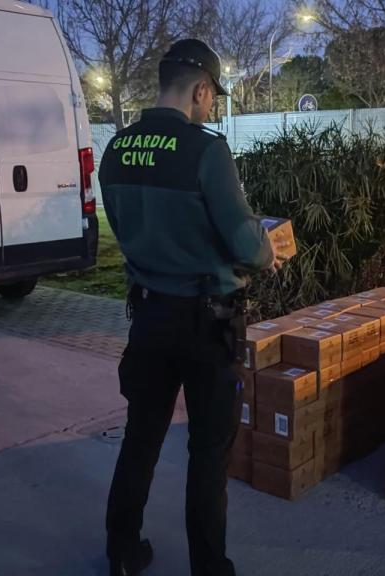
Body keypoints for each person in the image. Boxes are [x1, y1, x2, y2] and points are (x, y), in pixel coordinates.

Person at [99, 38, 286, 576]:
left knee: (141, 437)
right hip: (208, 325)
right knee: (207, 453)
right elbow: (248, 244)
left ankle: (121, 553)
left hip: (150, 317)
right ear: (200, 89)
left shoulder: (116, 150)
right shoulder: (206, 150)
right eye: (212, 98)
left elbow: (129, 228)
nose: (211, 108)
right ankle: (208, 567)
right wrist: (264, 248)